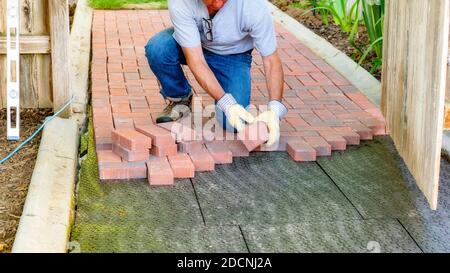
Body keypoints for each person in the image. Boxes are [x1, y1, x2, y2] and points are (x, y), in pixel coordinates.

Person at [145, 0, 288, 146]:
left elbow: (271, 60)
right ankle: (179, 98)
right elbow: (196, 60)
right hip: (195, 47)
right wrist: (227, 103)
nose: (218, 4)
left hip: (233, 55)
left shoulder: (253, 6)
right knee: (159, 48)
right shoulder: (181, 2)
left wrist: (275, 110)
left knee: (231, 124)